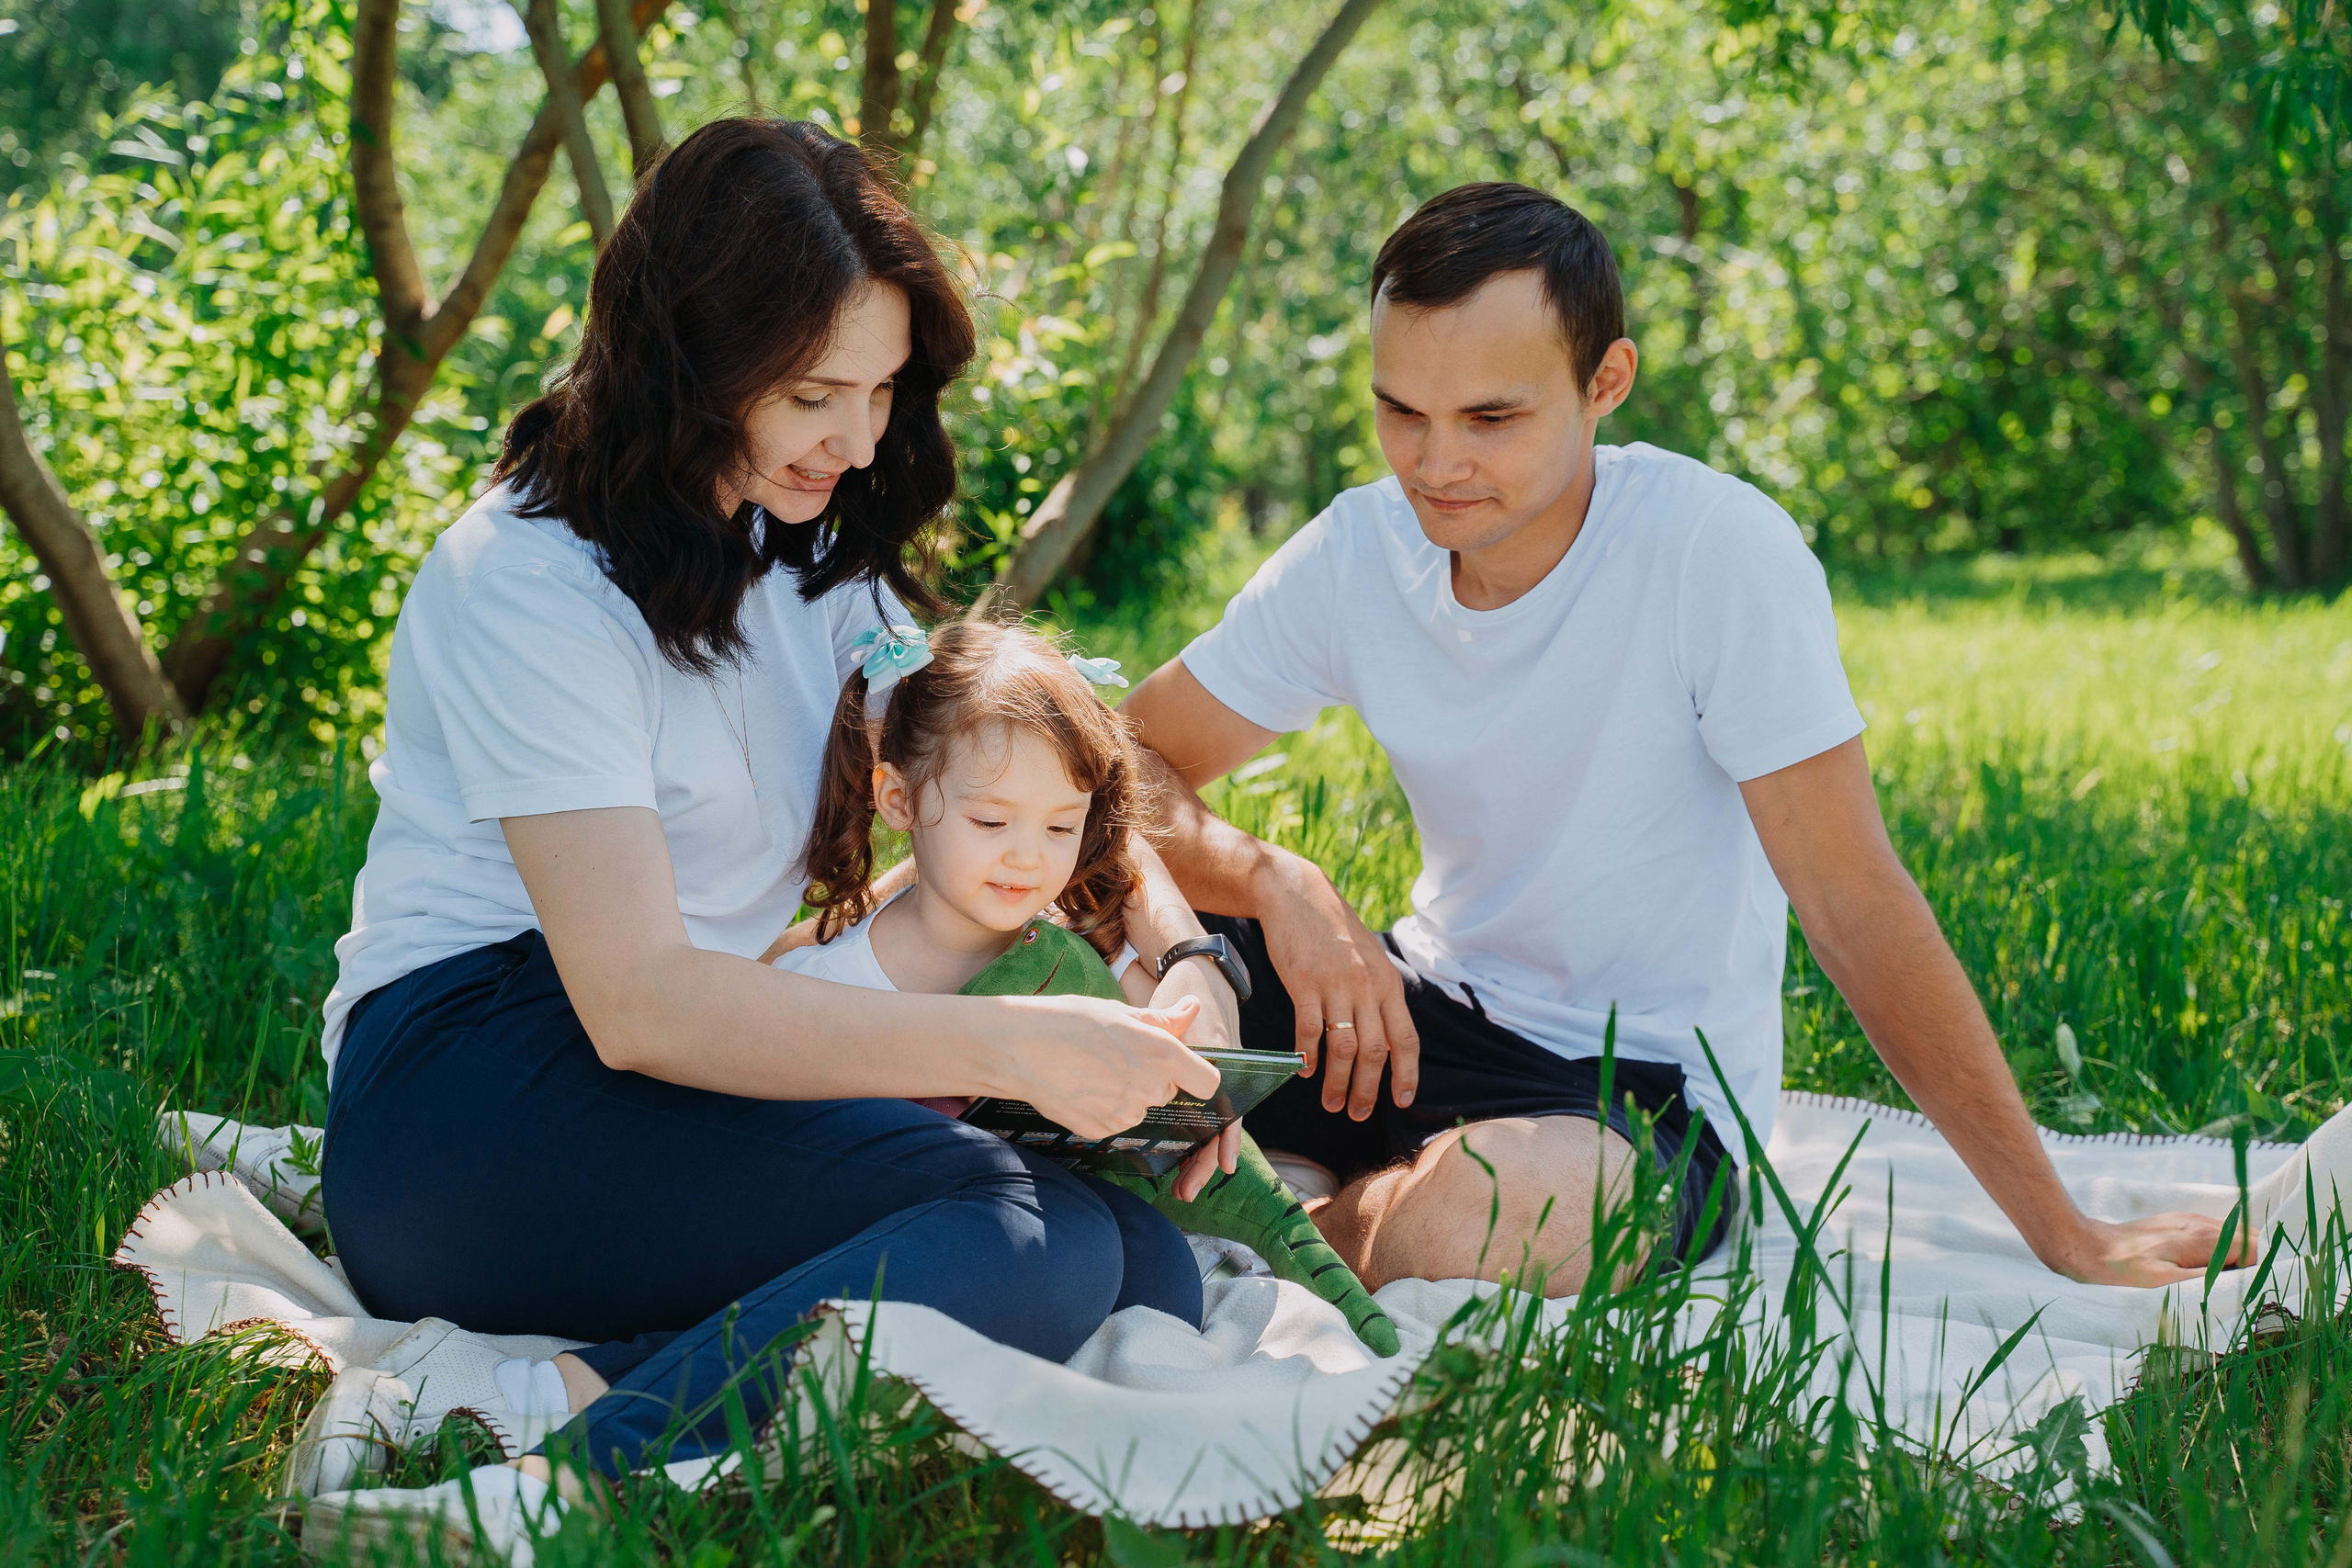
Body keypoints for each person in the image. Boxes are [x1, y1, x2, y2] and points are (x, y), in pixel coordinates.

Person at [302, 119, 1250, 1562]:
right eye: (816, 391)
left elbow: (1004, 751)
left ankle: (538, 1389)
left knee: (1138, 1266)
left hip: (702, 1056)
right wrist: (1013, 1048)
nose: (860, 439)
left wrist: (1175, 946)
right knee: (1009, 1237)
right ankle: (539, 1504)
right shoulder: (528, 579)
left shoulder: (803, 551)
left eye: (879, 390)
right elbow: (637, 1000)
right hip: (469, 1094)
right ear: (685, 358)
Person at [1119, 181, 2243, 1298]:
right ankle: (1255, 1169)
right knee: (1038, 912)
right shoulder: (1359, 552)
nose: (1433, 463)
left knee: (1511, 1215)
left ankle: (1287, 1212)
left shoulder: (1716, 554)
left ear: (1605, 382)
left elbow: (1855, 905)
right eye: (1400, 411)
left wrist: (2065, 1230)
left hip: (1639, 1098)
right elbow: (1112, 764)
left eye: (1491, 418)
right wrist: (1277, 885)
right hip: (1409, 1016)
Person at [781, 615, 1396, 1350]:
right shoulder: (830, 981)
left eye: (1059, 826)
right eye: (990, 819)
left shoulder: (1082, 954)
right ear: (898, 800)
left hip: (1065, 1207)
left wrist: (1201, 1110)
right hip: (914, 1218)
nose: (1026, 858)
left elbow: (1179, 1082)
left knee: (1166, 1280)